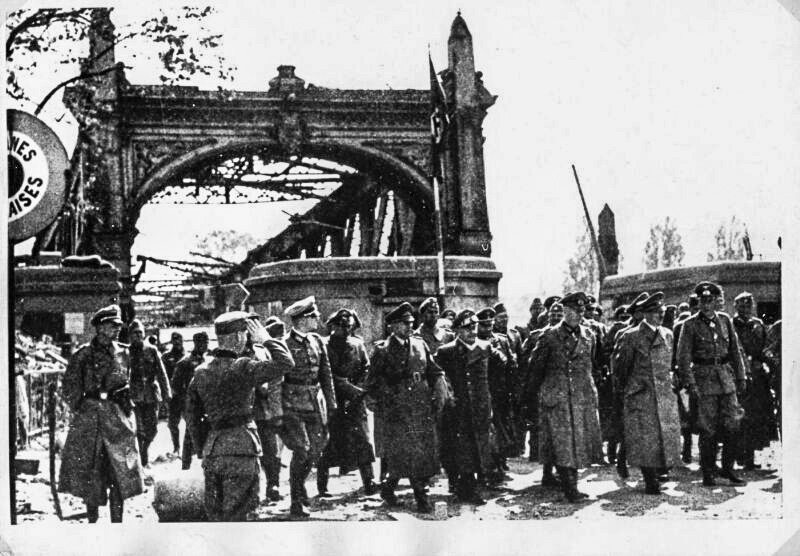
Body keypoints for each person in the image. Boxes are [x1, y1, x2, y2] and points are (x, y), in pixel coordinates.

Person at [185, 312, 294, 521]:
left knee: (216, 517)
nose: (247, 338)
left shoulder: (200, 371)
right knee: (240, 518)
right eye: (245, 333)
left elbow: (192, 417)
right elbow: (286, 363)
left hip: (213, 452)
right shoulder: (242, 366)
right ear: (237, 337)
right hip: (242, 449)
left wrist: (203, 449)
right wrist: (267, 340)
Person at [59, 304, 143, 523]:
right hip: (91, 420)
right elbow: (69, 388)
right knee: (91, 473)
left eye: (117, 325)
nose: (117, 329)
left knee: (120, 473)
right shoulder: (83, 355)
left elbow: (133, 383)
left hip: (117, 419)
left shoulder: (124, 353)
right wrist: (83, 408)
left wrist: (127, 404)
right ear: (100, 327)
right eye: (112, 325)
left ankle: (117, 524)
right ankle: (92, 523)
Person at [365, 301, 449, 513]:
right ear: (392, 326)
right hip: (397, 410)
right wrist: (380, 403)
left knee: (415, 453)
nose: (409, 327)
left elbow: (433, 369)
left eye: (411, 323)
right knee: (407, 452)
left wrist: (440, 388)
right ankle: (421, 497)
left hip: (420, 406)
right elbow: (371, 382)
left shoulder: (420, 344)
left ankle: (388, 487)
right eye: (404, 324)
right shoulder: (382, 350)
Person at [526, 291, 603, 502]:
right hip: (556, 397)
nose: (580, 315)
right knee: (563, 443)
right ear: (565, 311)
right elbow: (535, 369)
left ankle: (572, 485)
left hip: (580, 397)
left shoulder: (590, 336)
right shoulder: (549, 336)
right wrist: (532, 398)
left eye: (582, 311)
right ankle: (570, 488)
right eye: (575, 311)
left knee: (578, 442)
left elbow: (591, 366)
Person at [676, 281, 747, 487]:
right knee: (708, 429)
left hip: (726, 380)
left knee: (733, 423)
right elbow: (683, 358)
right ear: (698, 302)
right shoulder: (689, 324)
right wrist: (690, 384)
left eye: (710, 300)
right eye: (702, 301)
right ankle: (708, 472)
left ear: (716, 301)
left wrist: (741, 376)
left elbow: (735, 351)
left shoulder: (725, 320)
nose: (706, 305)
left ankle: (727, 468)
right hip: (704, 382)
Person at [611, 293, 681, 495]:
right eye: (657, 312)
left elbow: (669, 363)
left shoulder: (668, 334)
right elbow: (621, 368)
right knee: (645, 437)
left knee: (661, 435)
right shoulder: (631, 336)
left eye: (661, 312)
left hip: (663, 393)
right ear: (646, 314)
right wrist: (629, 389)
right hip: (641, 393)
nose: (660, 316)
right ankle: (650, 479)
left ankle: (659, 472)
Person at [282, 296, 337, 517]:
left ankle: (299, 485)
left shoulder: (317, 341)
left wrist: (331, 403)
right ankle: (296, 500)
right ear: (304, 319)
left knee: (317, 448)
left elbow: (326, 375)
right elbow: (278, 379)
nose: (318, 319)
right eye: (314, 316)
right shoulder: (284, 344)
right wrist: (278, 410)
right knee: (302, 450)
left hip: (315, 403)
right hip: (292, 404)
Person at [435, 309, 495, 505]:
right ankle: (466, 487)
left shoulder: (486, 348)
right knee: (460, 449)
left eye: (474, 327)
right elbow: (438, 377)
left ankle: (470, 485)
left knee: (479, 446)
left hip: (480, 407)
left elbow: (495, 377)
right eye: (467, 328)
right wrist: (447, 396)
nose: (472, 331)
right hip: (457, 409)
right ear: (458, 330)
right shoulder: (446, 351)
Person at [317, 309, 377, 497]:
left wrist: (358, 390)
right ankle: (322, 486)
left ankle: (369, 482)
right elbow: (322, 374)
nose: (345, 330)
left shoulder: (358, 345)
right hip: (332, 400)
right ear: (332, 326)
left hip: (355, 401)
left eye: (349, 326)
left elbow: (367, 369)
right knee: (327, 443)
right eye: (342, 326)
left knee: (363, 443)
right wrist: (344, 387)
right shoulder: (323, 345)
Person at [732, 292, 777, 469]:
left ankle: (750, 457)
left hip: (757, 378)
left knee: (755, 417)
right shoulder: (731, 324)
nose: (745, 309)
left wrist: (768, 367)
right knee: (738, 417)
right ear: (735, 307)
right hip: (738, 376)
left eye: (748, 306)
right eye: (742, 306)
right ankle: (738, 455)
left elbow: (766, 349)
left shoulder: (758, 325)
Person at [520, 301, 564, 471]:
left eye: (560, 315)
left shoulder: (571, 336)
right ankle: (546, 471)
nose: (556, 317)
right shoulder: (536, 336)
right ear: (547, 316)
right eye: (553, 314)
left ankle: (560, 470)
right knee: (543, 430)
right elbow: (525, 363)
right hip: (542, 389)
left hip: (560, 391)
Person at [476, 307, 518, 478]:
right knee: (487, 430)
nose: (487, 329)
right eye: (484, 325)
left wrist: (512, 390)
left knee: (502, 429)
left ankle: (500, 462)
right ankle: (488, 467)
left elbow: (510, 367)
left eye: (489, 325)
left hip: (501, 392)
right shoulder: (475, 342)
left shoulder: (502, 340)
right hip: (483, 392)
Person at [128, 319, 172, 468]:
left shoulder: (152, 350)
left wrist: (167, 394)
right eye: (135, 333)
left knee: (152, 429)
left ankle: (144, 451)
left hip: (151, 395)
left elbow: (162, 373)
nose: (138, 336)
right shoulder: (126, 352)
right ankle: (143, 460)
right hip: (135, 396)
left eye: (140, 333)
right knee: (139, 430)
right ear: (130, 336)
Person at [253, 316, 288, 502]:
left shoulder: (262, 350)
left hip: (263, 409)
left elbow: (272, 376)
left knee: (271, 450)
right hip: (244, 412)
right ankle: (254, 490)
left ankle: (272, 485)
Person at [171, 331, 209, 470]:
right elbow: (175, 386)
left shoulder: (207, 361)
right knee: (190, 434)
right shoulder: (185, 362)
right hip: (191, 405)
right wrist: (185, 403)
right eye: (203, 342)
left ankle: (201, 464)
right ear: (196, 343)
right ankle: (186, 466)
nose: (205, 345)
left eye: (207, 342)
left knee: (201, 433)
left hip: (205, 404)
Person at [673, 293, 700, 463]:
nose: (697, 311)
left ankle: (703, 456)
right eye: (694, 308)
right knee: (685, 415)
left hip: (701, 375)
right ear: (689, 308)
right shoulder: (681, 327)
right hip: (683, 376)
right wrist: (675, 374)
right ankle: (687, 449)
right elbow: (674, 353)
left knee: (701, 414)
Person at [163, 332, 186, 454]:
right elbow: (162, 375)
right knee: (173, 423)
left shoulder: (187, 356)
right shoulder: (166, 357)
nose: (177, 342)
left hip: (187, 394)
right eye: (175, 340)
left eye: (179, 339)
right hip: (174, 395)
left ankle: (192, 448)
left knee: (191, 422)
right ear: (172, 341)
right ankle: (176, 447)